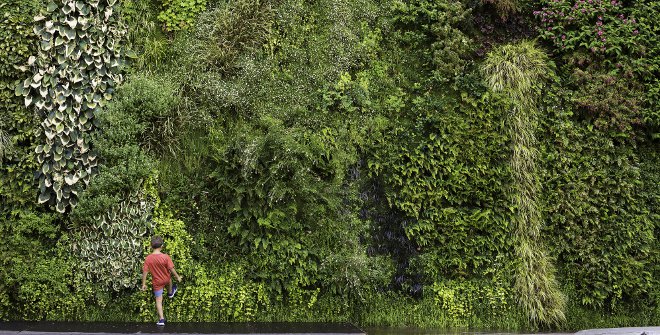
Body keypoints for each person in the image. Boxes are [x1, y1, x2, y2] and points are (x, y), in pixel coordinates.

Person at [141, 236, 182, 326]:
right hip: (166, 279)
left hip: (157, 282)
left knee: (158, 301)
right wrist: (178, 277)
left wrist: (143, 284)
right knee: (169, 279)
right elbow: (171, 269)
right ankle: (170, 293)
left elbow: (145, 272)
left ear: (151, 246)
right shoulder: (165, 257)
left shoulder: (148, 258)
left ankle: (162, 319)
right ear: (162, 246)